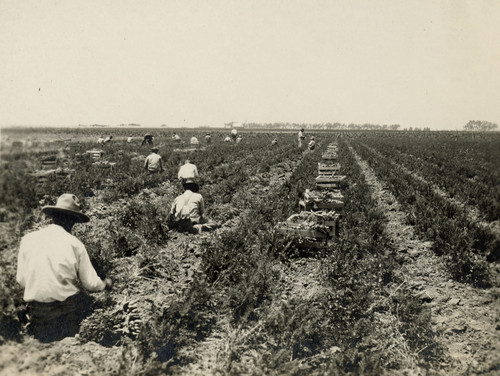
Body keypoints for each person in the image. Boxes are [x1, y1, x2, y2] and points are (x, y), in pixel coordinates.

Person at [16, 194, 112, 342]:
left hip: (37, 315)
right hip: (64, 315)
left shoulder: (27, 239)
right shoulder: (75, 244)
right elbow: (91, 284)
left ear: (53, 216)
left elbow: (21, 281)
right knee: (85, 301)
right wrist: (105, 284)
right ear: (72, 221)